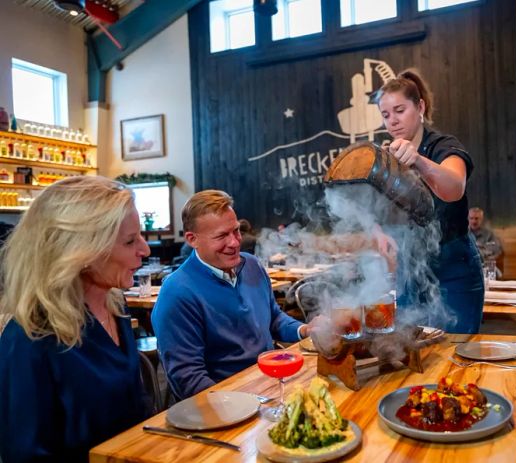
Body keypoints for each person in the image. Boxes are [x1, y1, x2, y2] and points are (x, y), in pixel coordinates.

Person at [0, 176, 151, 462]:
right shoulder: (30, 340)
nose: (145, 250)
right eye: (130, 241)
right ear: (81, 253)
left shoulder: (115, 308)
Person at [152, 190, 315, 400]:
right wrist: (242, 404)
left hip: (270, 385)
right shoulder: (177, 292)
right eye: (221, 236)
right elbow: (188, 380)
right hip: (226, 402)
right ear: (192, 239)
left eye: (236, 231)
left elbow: (273, 319)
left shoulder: (252, 265)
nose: (235, 242)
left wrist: (304, 329)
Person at [375, 68, 484, 333]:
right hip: (409, 271)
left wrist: (419, 161)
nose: (393, 121)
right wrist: (378, 233)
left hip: (453, 267)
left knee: (454, 351)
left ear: (420, 106)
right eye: (386, 115)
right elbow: (375, 208)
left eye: (400, 110)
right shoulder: (387, 157)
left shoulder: (443, 146)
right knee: (408, 348)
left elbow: (454, 187)